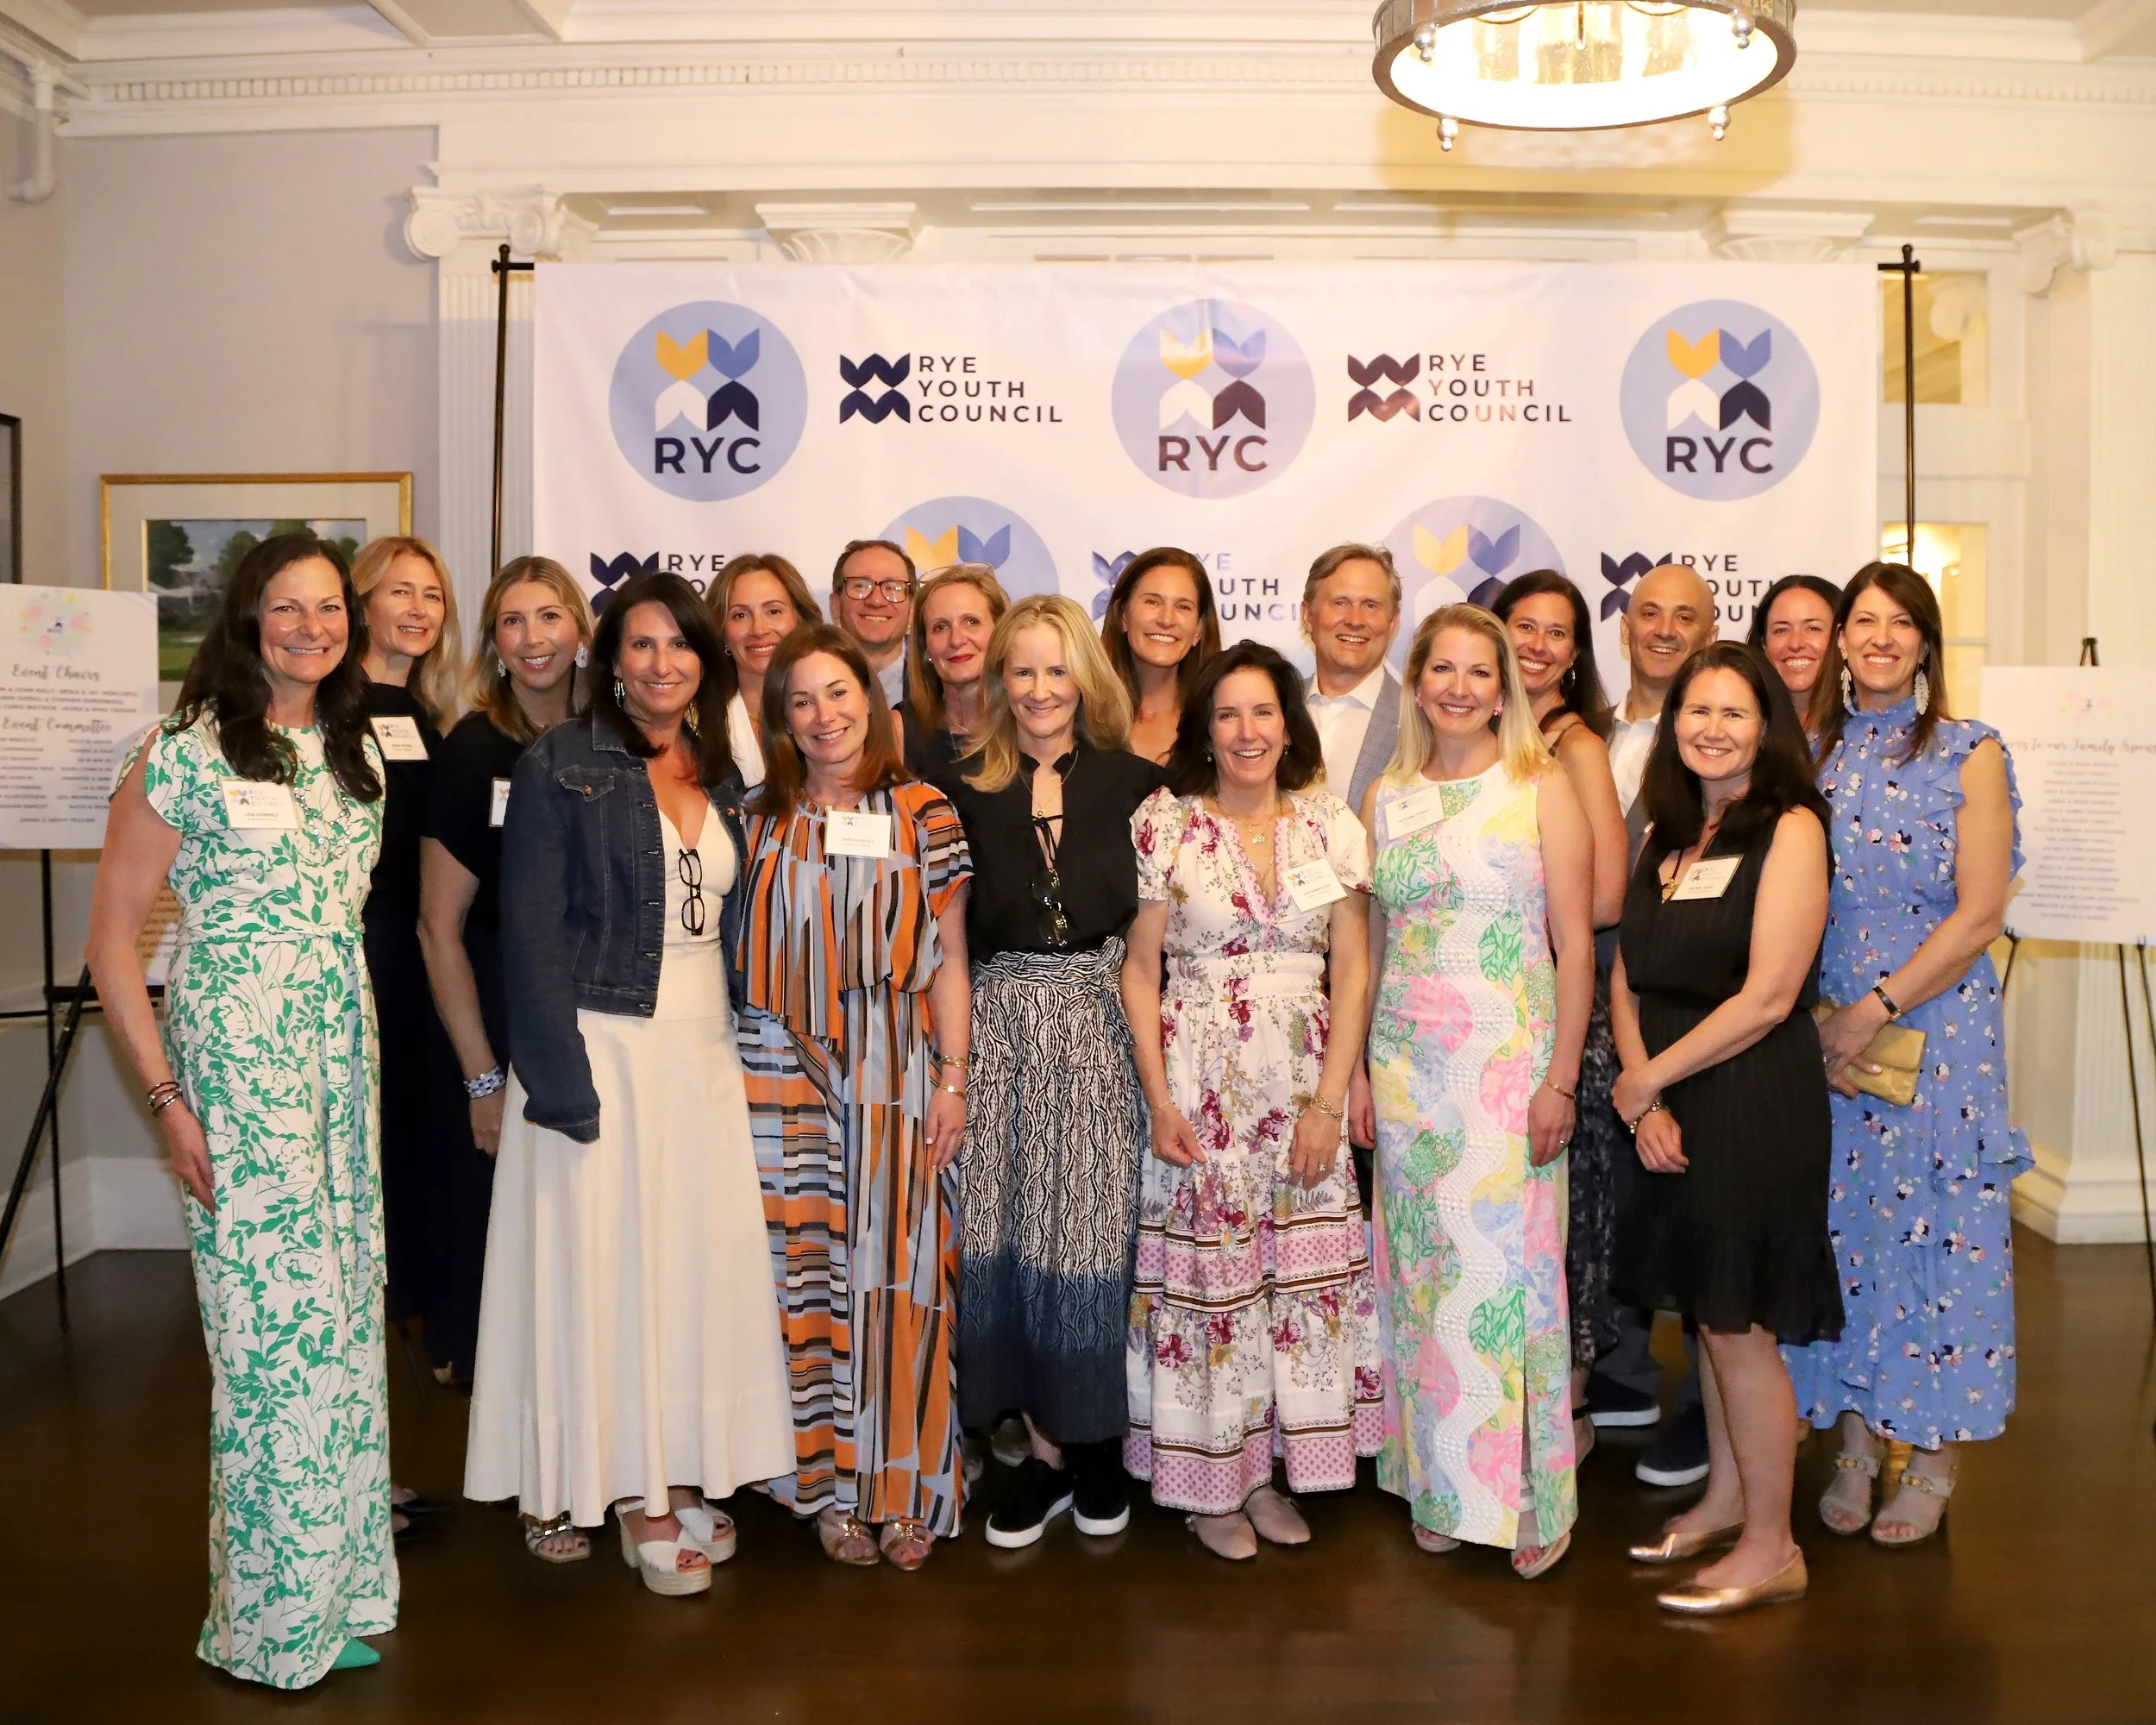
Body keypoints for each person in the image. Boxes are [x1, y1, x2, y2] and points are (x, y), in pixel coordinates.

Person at [85, 532, 395, 1686]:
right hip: (240, 1074)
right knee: (275, 1346)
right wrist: (167, 1100)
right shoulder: (183, 753)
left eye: (328, 609)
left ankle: (339, 1591)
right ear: (245, 619)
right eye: (286, 608)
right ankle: (266, 1629)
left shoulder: (353, 751)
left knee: (345, 1329)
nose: (310, 628)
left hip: (337, 1067)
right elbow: (112, 946)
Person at [466, 573, 793, 1596]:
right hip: (602, 1053)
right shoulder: (561, 761)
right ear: (613, 659)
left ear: (705, 661)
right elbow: (529, 936)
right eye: (642, 646)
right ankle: (636, 1496)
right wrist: (556, 1084)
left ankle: (678, 1465)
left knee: (686, 1272)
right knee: (613, 1273)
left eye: (681, 646)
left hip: (701, 1056)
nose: (662, 664)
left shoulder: (729, 773)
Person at [1121, 642, 1382, 1562]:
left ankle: (1270, 1470)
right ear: (1204, 728)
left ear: (1288, 722)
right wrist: (1158, 1097)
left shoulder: (1329, 825)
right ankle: (1211, 1484)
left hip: (1302, 1077)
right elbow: (1139, 966)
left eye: (1262, 711)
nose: (1246, 731)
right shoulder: (1165, 821)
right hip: (1202, 1082)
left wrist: (1326, 1100)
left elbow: (1351, 970)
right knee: (1213, 1284)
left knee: (1293, 1281)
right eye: (1227, 714)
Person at [1786, 561, 2028, 1546]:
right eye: (1863, 621)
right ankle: (1853, 1436)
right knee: (1846, 1232)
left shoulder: (1968, 751)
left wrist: (1875, 1007)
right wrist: (1821, 1018)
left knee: (1939, 1236)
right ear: (1839, 640)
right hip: (1830, 1034)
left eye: (1901, 623)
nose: (1879, 637)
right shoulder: (1812, 751)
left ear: (1927, 642)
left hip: (1937, 1036)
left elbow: (1978, 912)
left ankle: (1932, 1453)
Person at [1356, 604, 1594, 1579]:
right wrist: (1363, 1074)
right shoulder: (1389, 792)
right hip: (1410, 1082)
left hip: (1509, 1076)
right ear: (1417, 683)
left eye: (1478, 671)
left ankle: (1531, 1492)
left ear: (1505, 685)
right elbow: (1375, 945)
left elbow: (1574, 941)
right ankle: (1436, 1479)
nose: (1458, 686)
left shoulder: (1541, 785)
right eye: (1440, 669)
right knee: (1419, 1282)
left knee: (1513, 1283)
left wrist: (1562, 1079)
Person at [1608, 641, 1841, 1615]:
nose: (1710, 727)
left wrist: (1646, 1080)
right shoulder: (1668, 830)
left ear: (1766, 727)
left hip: (1749, 1096)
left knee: (1738, 1326)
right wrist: (1644, 1092)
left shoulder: (1788, 827)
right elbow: (1627, 969)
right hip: (1669, 1093)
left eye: (1733, 713)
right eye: (1695, 711)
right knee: (1706, 1308)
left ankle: (1771, 1544)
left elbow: (1770, 994)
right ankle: (1728, 1498)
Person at [739, 624, 975, 1571]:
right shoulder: (755, 815)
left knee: (901, 1281)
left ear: (871, 704)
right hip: (776, 1077)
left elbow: (951, 960)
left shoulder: (926, 812)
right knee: (802, 1285)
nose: (822, 714)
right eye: (800, 700)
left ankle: (907, 1488)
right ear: (782, 720)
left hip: (894, 1069)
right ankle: (827, 1491)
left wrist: (955, 1077)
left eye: (837, 693)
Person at [932, 594, 1162, 1549]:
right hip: (997, 1028)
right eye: (1020, 670)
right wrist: (953, 1067)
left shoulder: (1141, 783)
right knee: (1006, 1240)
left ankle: (1097, 1443)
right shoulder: (953, 785)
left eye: (1055, 669)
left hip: (1102, 1026)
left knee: (1092, 1241)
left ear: (1086, 680)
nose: (1037, 689)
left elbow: (1154, 944)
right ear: (997, 681)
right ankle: (1038, 1451)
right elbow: (943, 940)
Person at [415, 557, 592, 1408]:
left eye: (550, 616)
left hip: (598, 1005)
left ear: (580, 630)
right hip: (501, 1007)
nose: (534, 638)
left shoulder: (618, 737)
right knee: (509, 1224)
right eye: (514, 621)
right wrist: (483, 1075)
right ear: (493, 641)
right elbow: (436, 926)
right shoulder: (472, 750)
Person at [1585, 561, 1720, 1486]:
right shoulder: (1576, 733)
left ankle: (1708, 1411)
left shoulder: (1717, 744)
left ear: (1708, 632)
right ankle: (1621, 1372)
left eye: (1685, 617)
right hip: (1580, 1000)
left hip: (1686, 1005)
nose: (1663, 629)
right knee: (1606, 1198)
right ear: (1623, 625)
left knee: (1696, 1205)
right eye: (1648, 613)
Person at [1492, 571, 1628, 1461]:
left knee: (1566, 1220)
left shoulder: (1571, 745)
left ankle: (1566, 1411)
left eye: (1556, 633)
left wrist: (1498, 918)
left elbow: (1607, 892)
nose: (1536, 644)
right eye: (1522, 626)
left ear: (1577, 655)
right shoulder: (1475, 736)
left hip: (1552, 1005)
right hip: (1483, 1018)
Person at [350, 536, 458, 1444]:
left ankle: (416, 1322)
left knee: (413, 1136)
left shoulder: (426, 713)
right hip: (360, 949)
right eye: (400, 591)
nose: (418, 608)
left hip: (420, 955)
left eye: (432, 594)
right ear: (363, 601)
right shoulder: (326, 705)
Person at [1300, 543, 1404, 812]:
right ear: (1307, 616)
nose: (1355, 620)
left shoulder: (1421, 718)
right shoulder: (1269, 710)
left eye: (1371, 606)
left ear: (1392, 624)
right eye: (1340, 603)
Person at [1100, 546, 1223, 765]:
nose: (1166, 620)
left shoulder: (1218, 722)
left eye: (1183, 607)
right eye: (1152, 602)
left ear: (1198, 630)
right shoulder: (1085, 717)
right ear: (1123, 616)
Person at [709, 551, 822, 790]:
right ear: (723, 633)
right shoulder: (697, 723)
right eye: (740, 615)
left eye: (773, 611)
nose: (758, 629)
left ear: (799, 620)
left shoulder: (834, 716)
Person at [901, 562, 1009, 777]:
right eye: (940, 627)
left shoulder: (1031, 721)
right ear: (925, 645)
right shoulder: (900, 729)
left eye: (971, 622)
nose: (957, 640)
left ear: (1001, 630)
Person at [831, 537, 917, 709]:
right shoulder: (805, 689)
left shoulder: (940, 694)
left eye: (893, 588)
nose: (876, 601)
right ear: (835, 606)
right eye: (861, 586)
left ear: (912, 610)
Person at [1747, 574, 1840, 709]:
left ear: (1842, 637)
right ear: (1764, 643)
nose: (1795, 644)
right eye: (1781, 630)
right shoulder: (1741, 724)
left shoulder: (1868, 725)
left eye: (1813, 628)